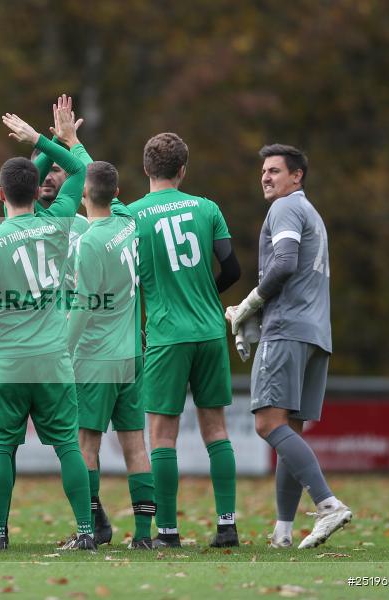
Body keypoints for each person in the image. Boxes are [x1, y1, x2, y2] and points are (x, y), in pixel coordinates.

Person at [0, 105, 94, 551]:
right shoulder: (60, 219)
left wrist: (32, 151)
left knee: (1, 448)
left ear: (1, 196)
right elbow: (80, 168)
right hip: (52, 355)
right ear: (36, 190)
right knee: (67, 444)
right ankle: (85, 532)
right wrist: (43, 141)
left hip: (7, 358)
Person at [228, 144, 351, 549]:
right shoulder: (311, 212)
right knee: (288, 428)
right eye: (264, 170)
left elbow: (284, 263)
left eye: (275, 171)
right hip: (316, 334)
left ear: (296, 176)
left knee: (266, 423)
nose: (266, 177)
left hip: (288, 330)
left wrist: (248, 306)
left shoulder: (285, 209)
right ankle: (282, 531)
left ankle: (328, 504)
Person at [128, 132, 241, 548]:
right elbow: (232, 269)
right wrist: (206, 297)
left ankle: (169, 532)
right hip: (210, 331)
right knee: (217, 430)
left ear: (146, 169)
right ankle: (227, 526)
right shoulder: (207, 207)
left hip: (166, 333)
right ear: (182, 170)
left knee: (162, 435)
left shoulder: (134, 215)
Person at [65, 156, 155, 550]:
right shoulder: (127, 224)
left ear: (83, 193)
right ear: (117, 193)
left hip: (96, 356)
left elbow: (83, 305)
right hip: (131, 355)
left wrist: (63, 351)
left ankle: (88, 532)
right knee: (135, 446)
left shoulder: (90, 240)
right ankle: (145, 537)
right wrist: (74, 143)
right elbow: (98, 178)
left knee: (87, 446)